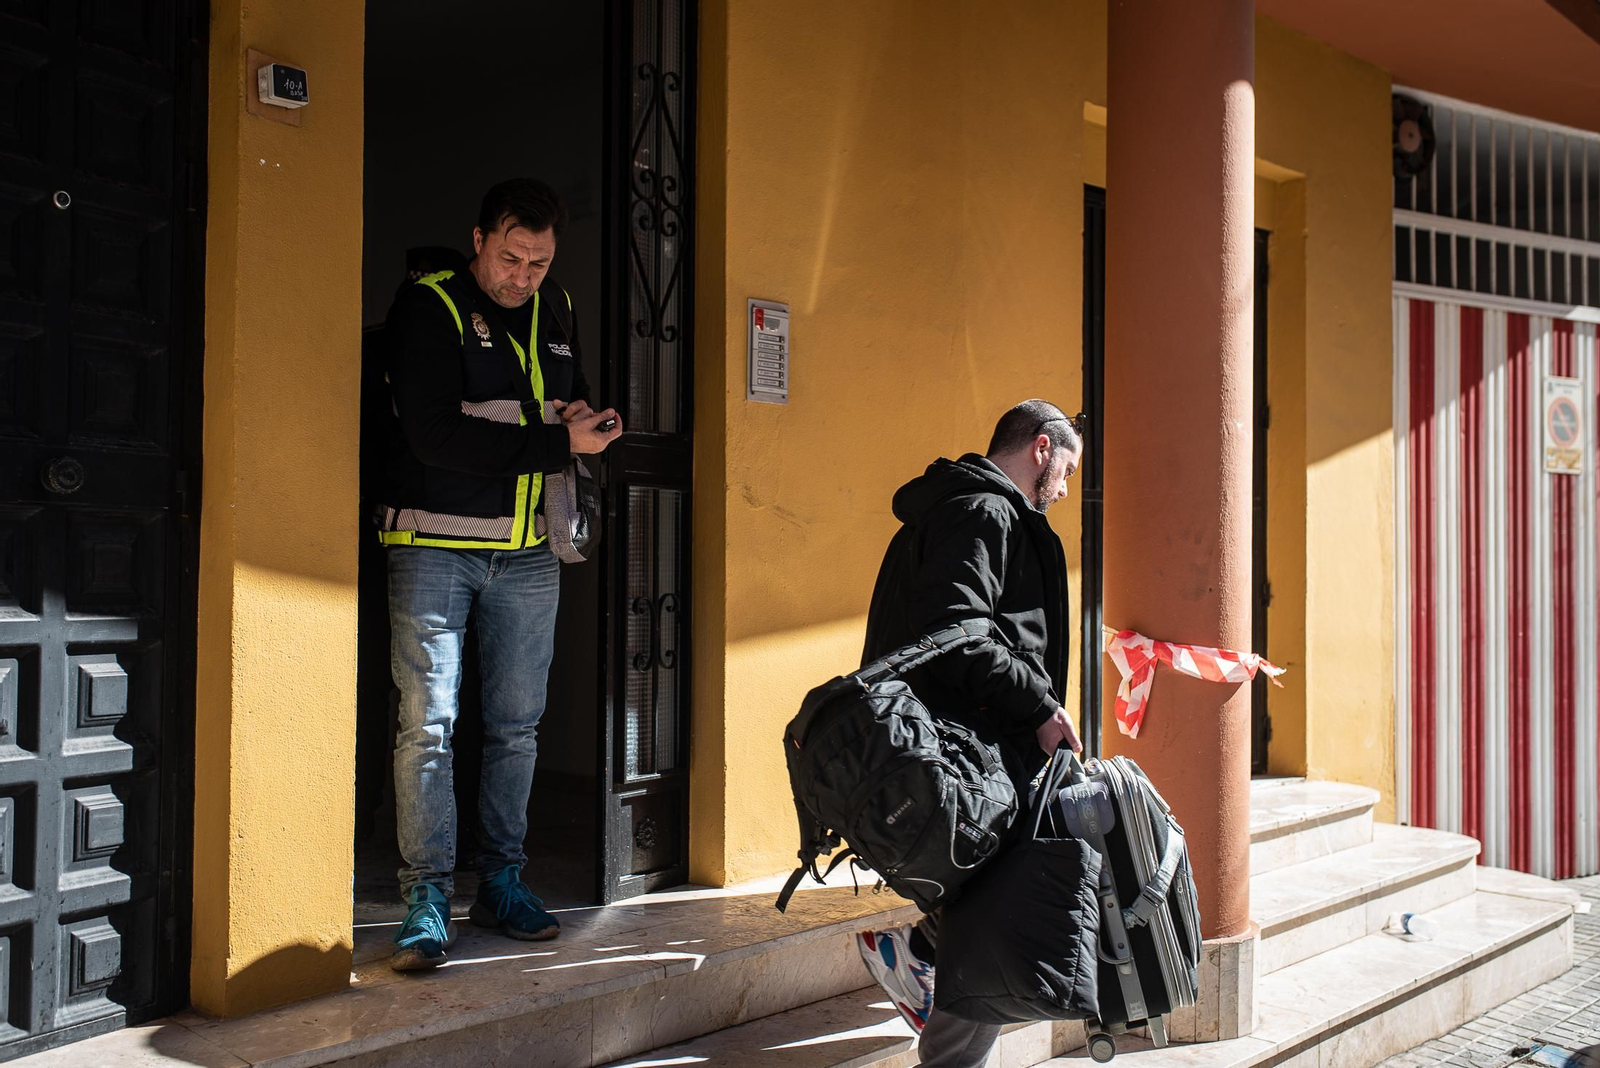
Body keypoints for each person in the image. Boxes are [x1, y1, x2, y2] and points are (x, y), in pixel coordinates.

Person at [377, 178, 622, 971]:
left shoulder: (559, 309)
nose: (522, 277)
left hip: (529, 552)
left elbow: (567, 402)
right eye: (510, 258)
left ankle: (502, 883)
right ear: (478, 239)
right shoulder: (430, 305)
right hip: (432, 544)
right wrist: (559, 443)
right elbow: (433, 436)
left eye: (538, 263)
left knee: (517, 729)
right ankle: (425, 897)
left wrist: (588, 420)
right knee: (430, 725)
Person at [853, 399, 1085, 1065]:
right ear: (1041, 448)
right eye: (1067, 472)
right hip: (974, 750)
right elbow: (958, 632)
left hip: (975, 744)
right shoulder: (981, 511)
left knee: (989, 903)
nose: (1065, 490)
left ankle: (915, 952)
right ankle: (920, 962)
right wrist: (1039, 707)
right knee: (999, 913)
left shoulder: (972, 508)